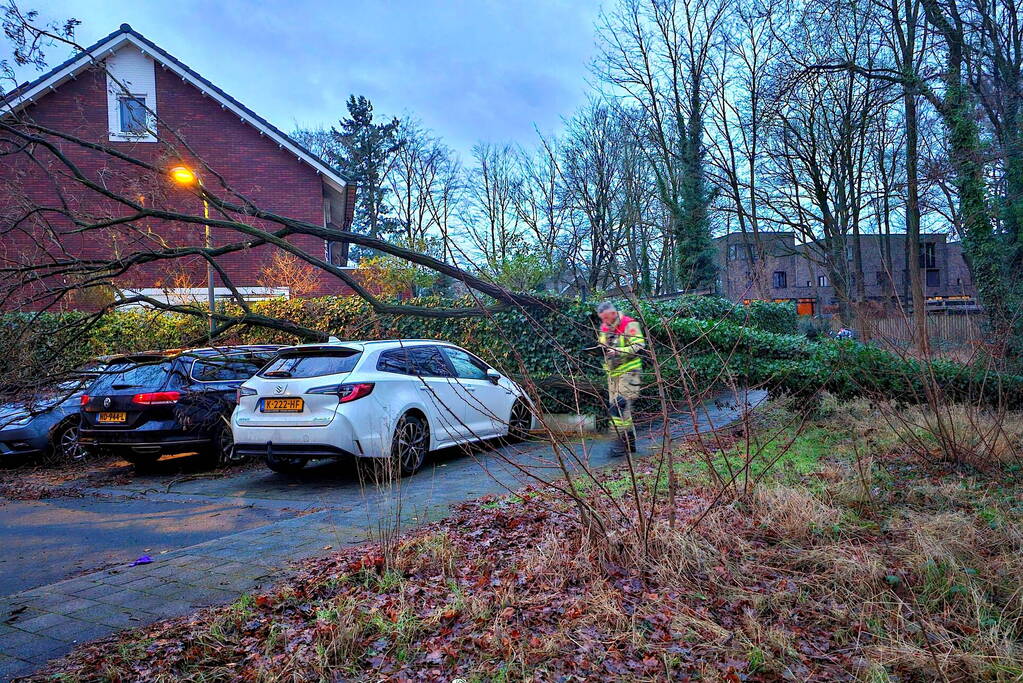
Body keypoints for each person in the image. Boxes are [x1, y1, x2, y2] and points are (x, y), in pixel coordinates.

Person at [595, 301, 645, 456]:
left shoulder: (629, 324)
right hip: (613, 375)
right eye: (601, 319)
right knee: (622, 411)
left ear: (613, 313)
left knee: (618, 408)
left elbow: (639, 345)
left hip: (630, 372)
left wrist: (617, 351)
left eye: (605, 318)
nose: (604, 322)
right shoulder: (605, 327)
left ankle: (619, 445)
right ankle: (629, 444)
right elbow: (602, 346)